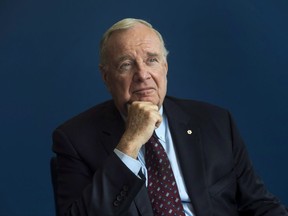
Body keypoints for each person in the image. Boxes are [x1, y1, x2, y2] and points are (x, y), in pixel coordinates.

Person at [51, 18, 288, 216]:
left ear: (165, 66)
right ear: (106, 77)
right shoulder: (74, 139)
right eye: (126, 64)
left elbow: (260, 205)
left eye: (152, 60)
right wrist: (129, 143)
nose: (142, 74)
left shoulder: (215, 122)